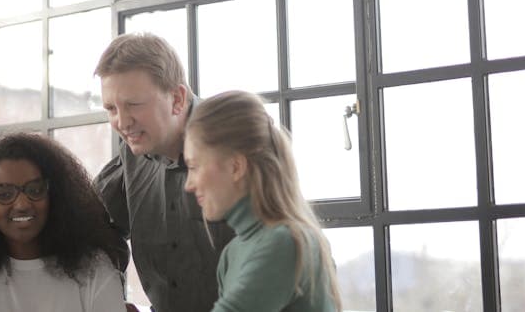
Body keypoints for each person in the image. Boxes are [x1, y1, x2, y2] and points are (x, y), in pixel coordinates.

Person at [94, 32, 234, 312]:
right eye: (111, 108)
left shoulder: (238, 139)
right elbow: (95, 227)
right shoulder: (132, 152)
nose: (122, 122)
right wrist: (111, 300)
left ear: (177, 99)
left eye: (133, 104)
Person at [0, 132, 128, 312]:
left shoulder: (93, 267)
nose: (22, 204)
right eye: (5, 194)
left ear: (56, 195)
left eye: (35, 190)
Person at [184, 91, 342, 312]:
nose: (188, 185)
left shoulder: (286, 242)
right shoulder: (231, 254)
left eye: (194, 167)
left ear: (236, 167)